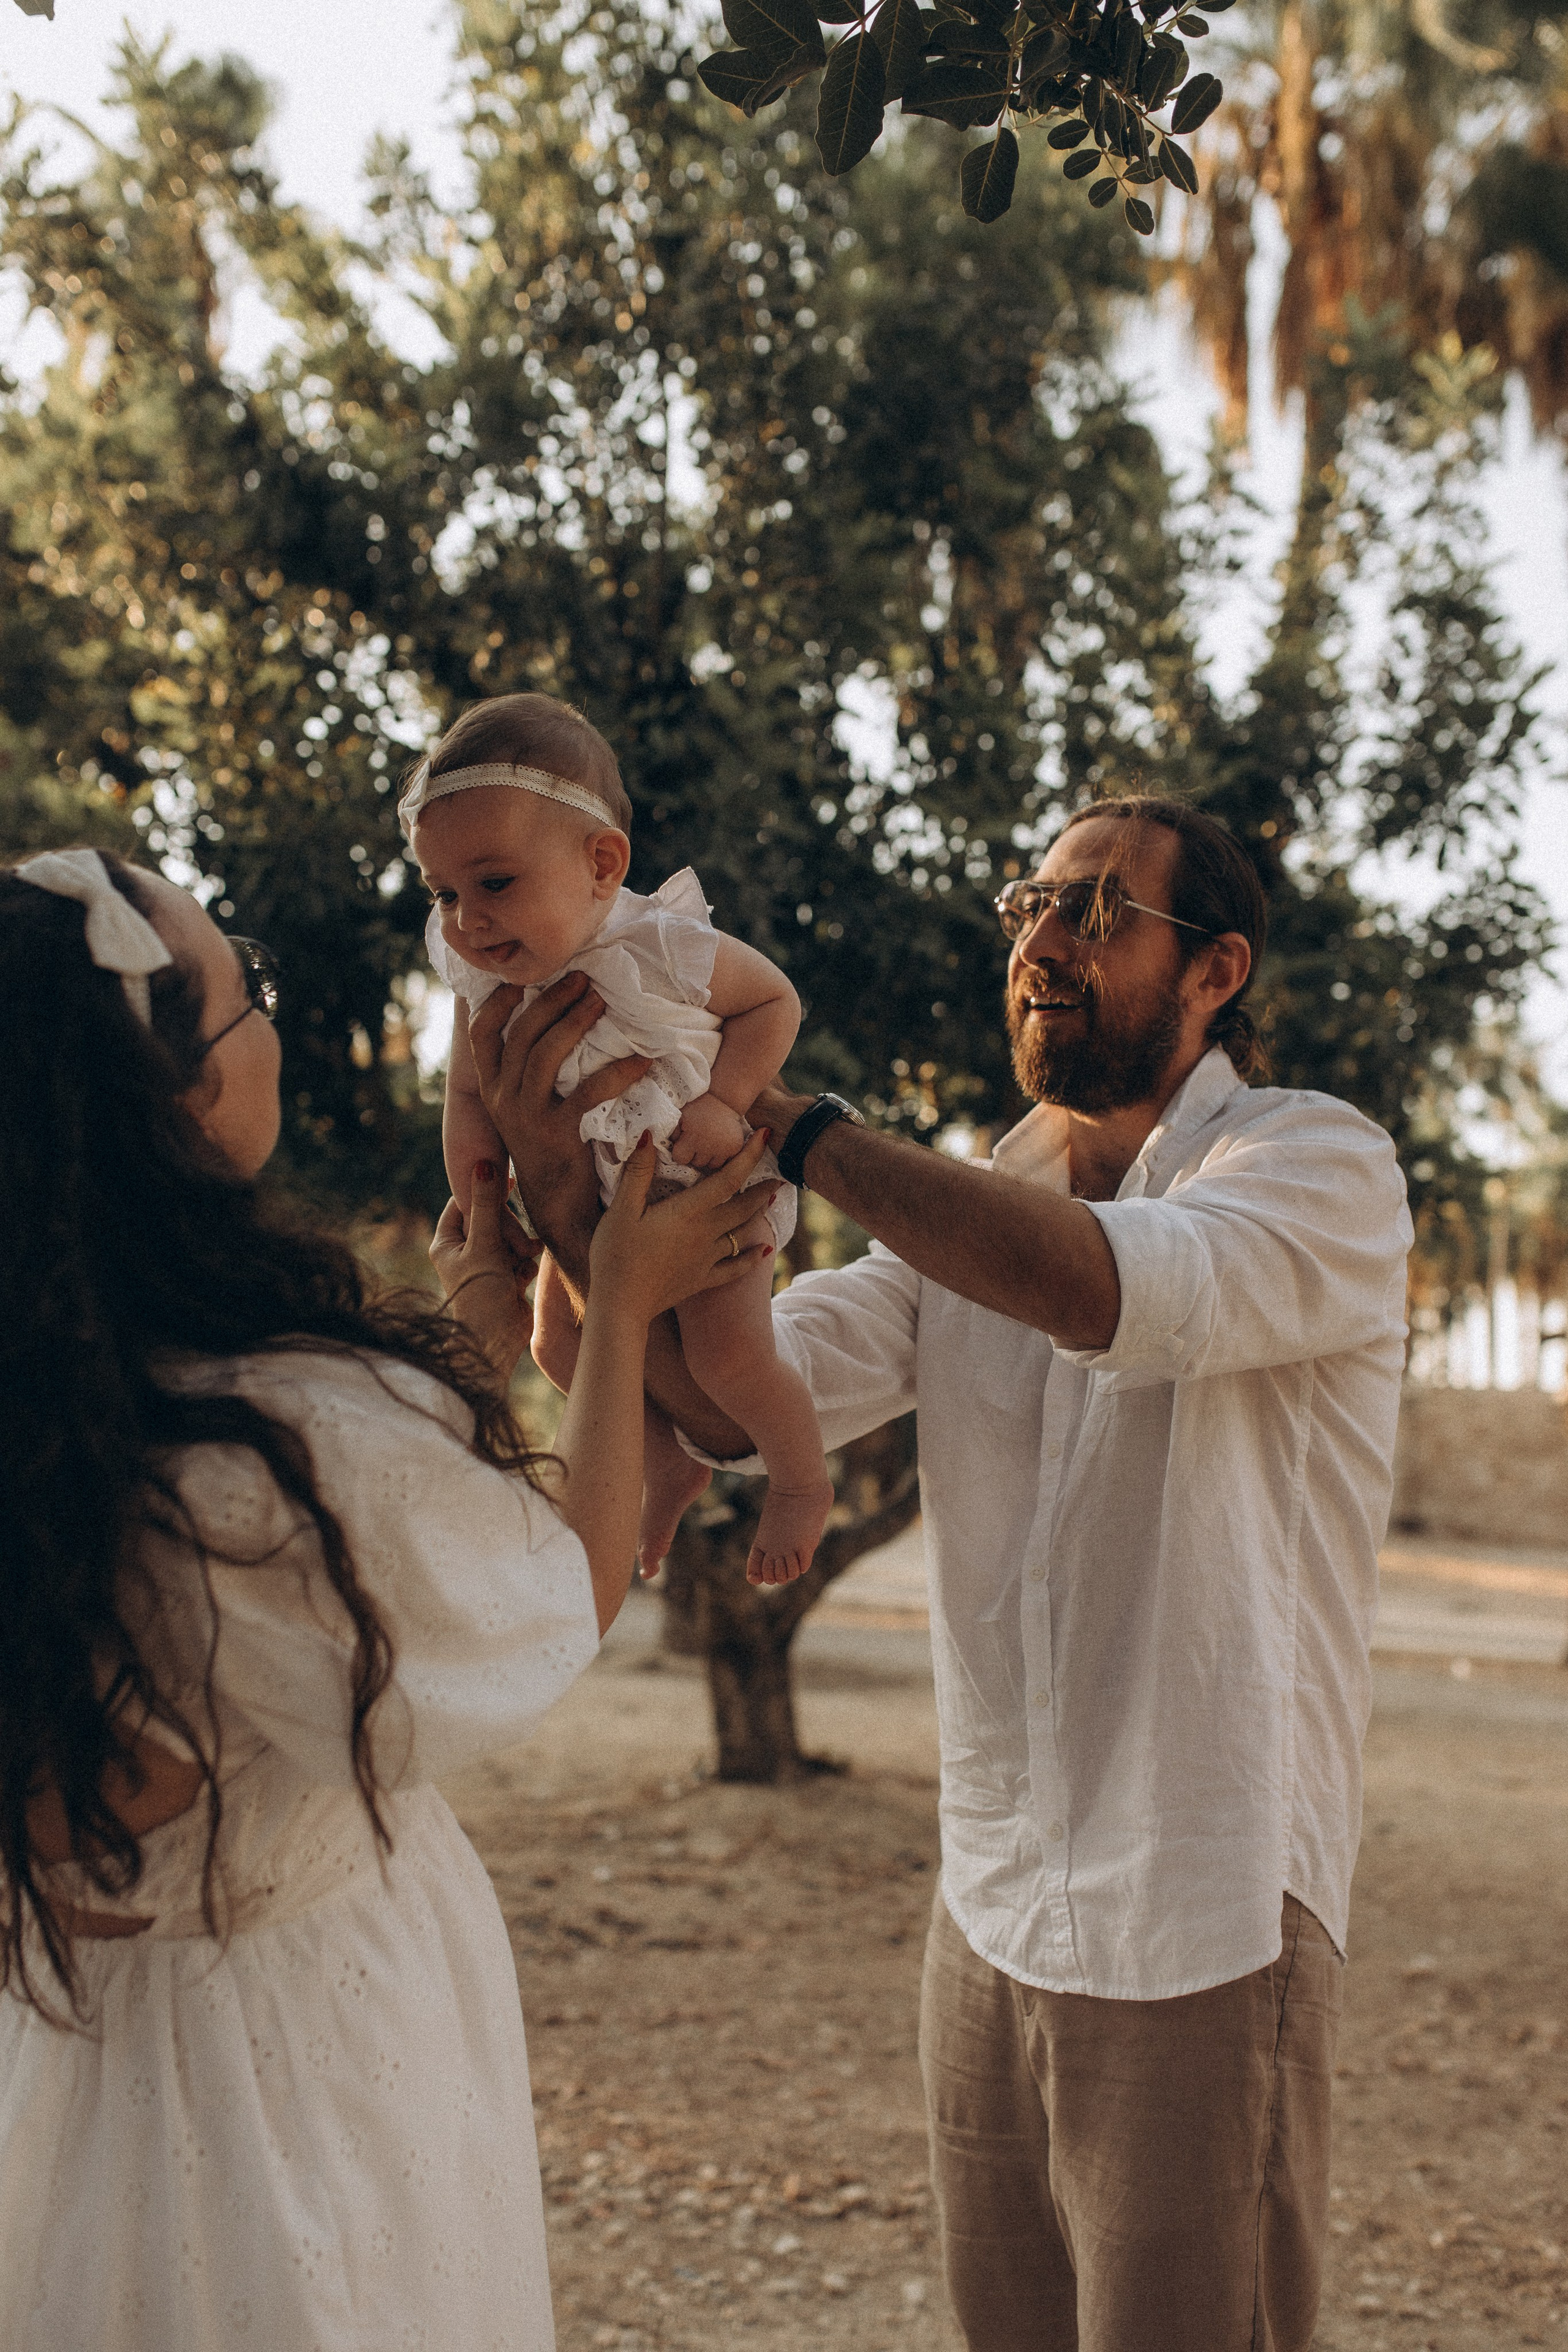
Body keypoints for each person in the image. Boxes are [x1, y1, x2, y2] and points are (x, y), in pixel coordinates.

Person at [474, 796, 1415, 2352]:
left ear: (1214, 970)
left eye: (1096, 913)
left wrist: (781, 1119)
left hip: (1201, 1920)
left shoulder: (1315, 1165)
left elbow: (1096, 1288)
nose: (1041, 943)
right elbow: (726, 1399)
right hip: (986, 1917)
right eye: (1027, 906)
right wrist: (573, 1206)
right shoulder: (969, 1206)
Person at [0, 845, 773, 2352]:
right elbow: (550, 1599)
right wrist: (616, 1300)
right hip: (282, 2069)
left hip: (68, 2057)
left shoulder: (86, 1410)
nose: (271, 1029)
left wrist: (470, 1325)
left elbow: (311, 1584)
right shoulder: (268, 1441)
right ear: (185, 1099)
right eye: (253, 999)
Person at [405, 690, 832, 1587]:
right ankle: (666, 1462)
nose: (466, 920)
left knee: (726, 1355)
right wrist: (481, 1194)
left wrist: (726, 1097)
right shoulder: (479, 980)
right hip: (591, 1206)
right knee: (558, 1346)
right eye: (444, 893)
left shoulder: (663, 945)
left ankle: (799, 1481)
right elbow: (471, 1094)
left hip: (701, 1190)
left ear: (602, 864)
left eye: (493, 884)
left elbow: (774, 1002)